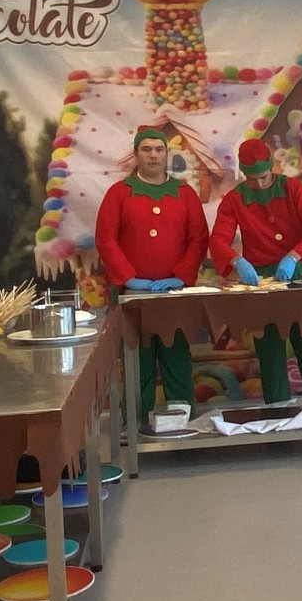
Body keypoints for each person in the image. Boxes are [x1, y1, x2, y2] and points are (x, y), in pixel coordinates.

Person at [208, 139, 302, 403]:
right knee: (270, 352)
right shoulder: (235, 199)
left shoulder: (292, 188)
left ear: (271, 168)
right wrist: (236, 261)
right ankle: (278, 411)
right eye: (252, 179)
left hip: (297, 271)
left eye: (263, 177)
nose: (259, 184)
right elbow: (219, 239)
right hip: (260, 278)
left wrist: (294, 256)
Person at [96, 126, 207, 414]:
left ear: (167, 154)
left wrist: (181, 276)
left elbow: (198, 239)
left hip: (174, 296)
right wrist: (129, 279)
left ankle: (182, 420)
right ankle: (135, 422)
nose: (153, 155)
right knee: (136, 360)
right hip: (133, 297)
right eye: (146, 149)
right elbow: (106, 239)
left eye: (159, 149)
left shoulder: (185, 193)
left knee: (176, 357)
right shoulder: (119, 193)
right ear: (136, 154)